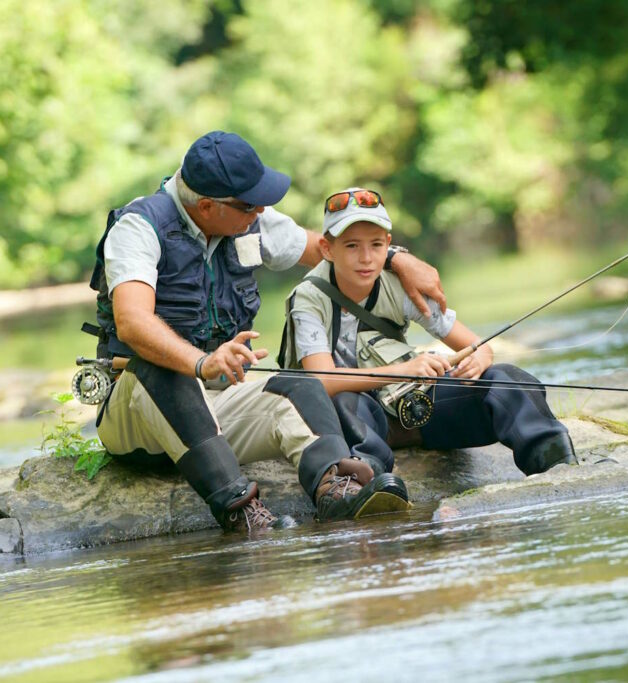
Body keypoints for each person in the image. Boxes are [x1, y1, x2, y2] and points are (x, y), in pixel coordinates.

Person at [88, 133, 445, 531]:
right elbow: (133, 324)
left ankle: (335, 489)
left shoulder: (249, 220)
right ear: (206, 205)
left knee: (298, 383)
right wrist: (202, 362)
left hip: (221, 407)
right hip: (138, 415)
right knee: (163, 370)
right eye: (249, 203)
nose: (261, 209)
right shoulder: (139, 228)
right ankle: (241, 510)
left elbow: (325, 249)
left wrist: (398, 259)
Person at [279, 187, 577, 478]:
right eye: (352, 246)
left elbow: (477, 345)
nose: (367, 258)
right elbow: (323, 381)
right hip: (353, 418)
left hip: (411, 410)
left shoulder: (399, 284)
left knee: (507, 378)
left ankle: (555, 462)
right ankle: (370, 481)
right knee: (344, 402)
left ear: (389, 244)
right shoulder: (307, 297)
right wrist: (405, 370)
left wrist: (480, 359)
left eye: (376, 245)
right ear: (327, 249)